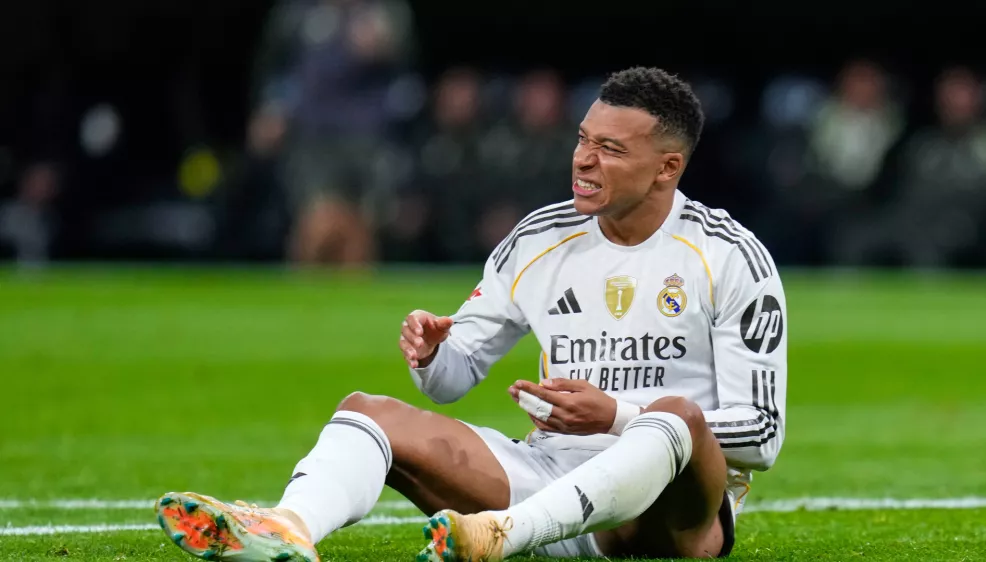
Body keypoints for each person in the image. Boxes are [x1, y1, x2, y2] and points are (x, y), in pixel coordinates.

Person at [155, 66, 787, 562]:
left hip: (665, 516)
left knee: (671, 418)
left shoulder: (727, 256)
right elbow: (456, 379)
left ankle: (502, 537)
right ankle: (288, 528)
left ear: (667, 169)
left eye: (611, 149)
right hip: (549, 475)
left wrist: (616, 415)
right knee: (365, 412)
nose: (584, 160)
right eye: (582, 140)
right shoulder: (538, 240)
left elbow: (761, 434)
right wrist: (434, 355)